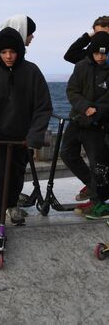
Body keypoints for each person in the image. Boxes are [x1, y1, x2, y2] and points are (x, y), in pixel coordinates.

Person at [0, 27, 52, 242]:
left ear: (19, 52)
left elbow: (43, 107)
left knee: (15, 175)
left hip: (21, 137)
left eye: (12, 52)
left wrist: (34, 136)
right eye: (3, 52)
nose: (8, 56)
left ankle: (11, 204)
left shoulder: (32, 72)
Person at [62, 16, 109, 204]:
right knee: (67, 153)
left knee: (100, 163)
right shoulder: (84, 63)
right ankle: (95, 188)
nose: (100, 55)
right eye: (98, 33)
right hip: (80, 119)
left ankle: (98, 198)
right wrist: (90, 36)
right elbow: (70, 55)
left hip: (101, 122)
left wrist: (96, 111)